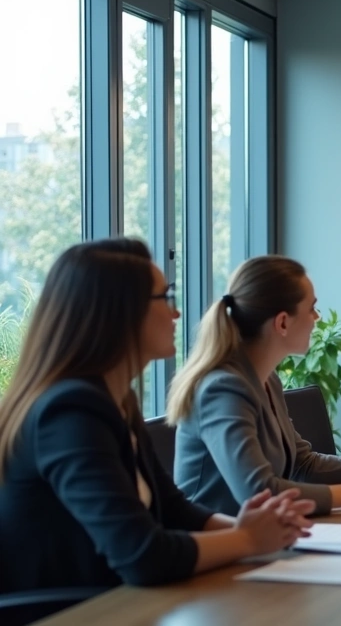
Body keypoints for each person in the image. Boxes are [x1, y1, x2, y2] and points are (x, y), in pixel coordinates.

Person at [0, 239, 313, 595]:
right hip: (68, 613)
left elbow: (173, 509)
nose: (176, 313)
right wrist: (246, 539)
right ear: (120, 311)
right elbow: (142, 555)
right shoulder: (70, 412)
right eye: (165, 298)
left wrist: (265, 532)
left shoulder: (117, 399)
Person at [169, 255, 341, 516]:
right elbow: (259, 492)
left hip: (264, 537)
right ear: (283, 322)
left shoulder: (266, 379)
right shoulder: (224, 389)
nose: (317, 317)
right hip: (222, 549)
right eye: (312, 308)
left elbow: (303, 463)